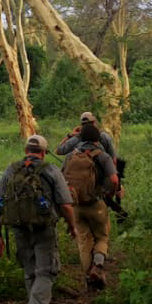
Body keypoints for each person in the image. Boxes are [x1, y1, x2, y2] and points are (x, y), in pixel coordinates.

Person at [0, 134, 77, 304]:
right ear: (44, 153)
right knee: (46, 271)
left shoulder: (11, 169)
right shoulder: (51, 170)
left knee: (30, 271)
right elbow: (66, 205)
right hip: (43, 228)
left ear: (26, 151)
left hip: (18, 228)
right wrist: (72, 226)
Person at [58, 120, 118, 290]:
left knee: (84, 242)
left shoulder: (71, 156)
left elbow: (61, 179)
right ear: (98, 139)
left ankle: (88, 279)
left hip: (76, 206)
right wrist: (110, 193)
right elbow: (114, 179)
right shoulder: (102, 156)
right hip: (96, 203)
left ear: (81, 138)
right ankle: (97, 266)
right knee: (102, 237)